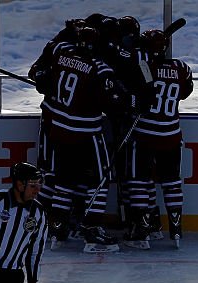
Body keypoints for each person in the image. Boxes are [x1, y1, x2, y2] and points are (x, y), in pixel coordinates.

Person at [29, 24, 129, 253]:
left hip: (57, 128)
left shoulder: (61, 51)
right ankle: (92, 228)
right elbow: (114, 101)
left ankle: (56, 227)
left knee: (64, 178)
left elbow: (41, 71)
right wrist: (131, 101)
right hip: (85, 131)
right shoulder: (100, 68)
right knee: (102, 177)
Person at [123, 28, 194, 249]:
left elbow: (135, 93)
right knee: (171, 182)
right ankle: (176, 230)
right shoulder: (181, 68)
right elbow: (185, 92)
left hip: (145, 134)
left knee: (139, 181)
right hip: (171, 134)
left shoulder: (145, 67)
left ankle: (142, 230)